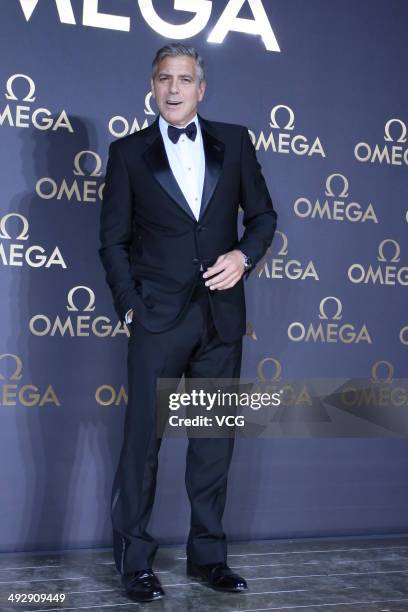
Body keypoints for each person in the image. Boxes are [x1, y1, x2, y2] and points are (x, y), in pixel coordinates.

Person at [99, 42, 277, 603]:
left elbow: (264, 216)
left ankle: (208, 560)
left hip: (220, 320)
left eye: (184, 79)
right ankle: (134, 565)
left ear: (202, 89)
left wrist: (243, 256)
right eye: (163, 79)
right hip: (156, 321)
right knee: (141, 448)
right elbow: (112, 241)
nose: (173, 89)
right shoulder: (128, 153)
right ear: (152, 88)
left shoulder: (238, 143)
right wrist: (130, 306)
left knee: (212, 446)